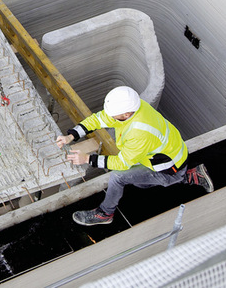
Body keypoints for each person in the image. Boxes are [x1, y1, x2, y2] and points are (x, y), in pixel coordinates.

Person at [55, 86, 214, 226]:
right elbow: (98, 119)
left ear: (125, 114)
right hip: (170, 152)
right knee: (141, 183)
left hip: (168, 166)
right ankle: (190, 175)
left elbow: (122, 163)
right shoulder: (135, 108)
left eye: (113, 115)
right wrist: (72, 135)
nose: (109, 117)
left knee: (118, 177)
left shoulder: (139, 132)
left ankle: (105, 213)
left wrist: (88, 159)